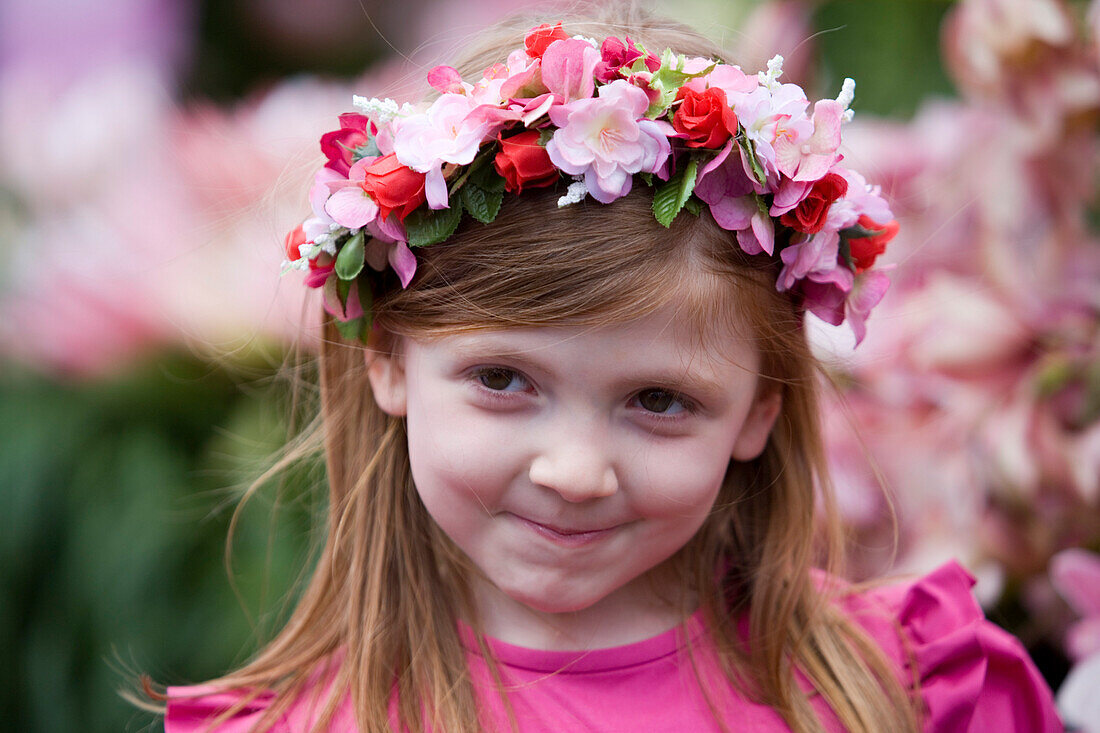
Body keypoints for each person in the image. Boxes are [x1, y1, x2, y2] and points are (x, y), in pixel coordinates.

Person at [162, 6, 1062, 732]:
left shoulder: (908, 690)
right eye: (504, 379)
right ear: (389, 358)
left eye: (659, 399)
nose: (575, 472)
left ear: (761, 408)